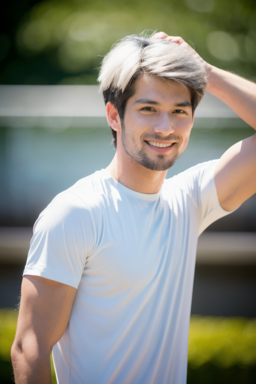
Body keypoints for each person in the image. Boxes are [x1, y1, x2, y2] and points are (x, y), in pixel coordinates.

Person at [11, 32, 256, 384]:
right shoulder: (76, 211)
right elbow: (28, 348)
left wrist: (207, 73)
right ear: (114, 115)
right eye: (148, 109)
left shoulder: (189, 200)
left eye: (179, 112)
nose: (165, 127)